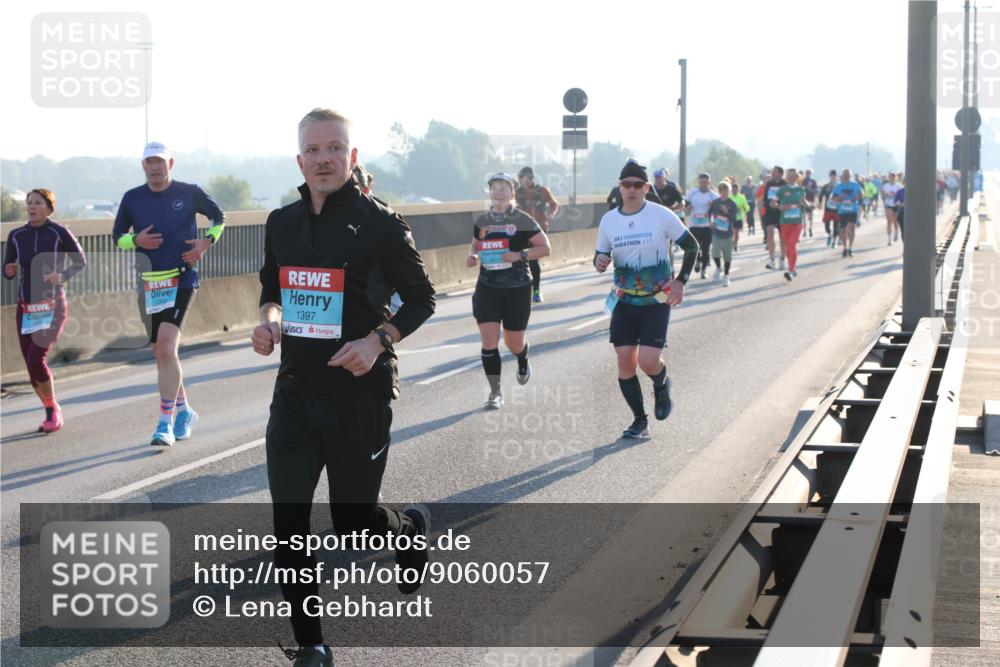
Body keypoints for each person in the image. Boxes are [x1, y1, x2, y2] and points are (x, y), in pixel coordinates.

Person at [252, 108, 436, 666]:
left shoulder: (380, 221)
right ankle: (313, 646)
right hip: (295, 396)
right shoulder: (281, 222)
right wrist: (269, 321)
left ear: (352, 157)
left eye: (336, 148)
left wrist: (378, 340)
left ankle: (407, 532)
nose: (324, 158)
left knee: (353, 523)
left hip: (360, 394)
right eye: (314, 149)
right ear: (300, 160)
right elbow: (271, 287)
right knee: (288, 526)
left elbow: (422, 297)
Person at [113, 142, 226, 447]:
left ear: (170, 164)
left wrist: (205, 243)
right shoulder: (132, 198)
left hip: (181, 279)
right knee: (162, 353)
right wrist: (135, 239)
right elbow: (117, 237)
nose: (155, 167)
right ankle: (185, 410)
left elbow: (219, 218)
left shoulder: (189, 192)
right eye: (149, 162)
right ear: (143, 166)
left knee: (165, 346)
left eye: (160, 162)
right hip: (149, 284)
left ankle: (165, 423)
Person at [594, 161, 698, 438]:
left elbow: (692, 246)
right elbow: (600, 254)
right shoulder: (609, 220)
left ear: (646, 188)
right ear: (619, 187)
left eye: (637, 185)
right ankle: (639, 420)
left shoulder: (661, 215)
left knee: (648, 362)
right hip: (624, 300)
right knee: (625, 359)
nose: (631, 189)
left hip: (656, 299)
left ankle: (661, 382)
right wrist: (600, 260)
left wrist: (680, 281)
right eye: (626, 184)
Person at [3, 188, 86, 433]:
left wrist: (61, 276)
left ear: (49, 208)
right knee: (31, 367)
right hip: (26, 306)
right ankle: (50, 407)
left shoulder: (59, 233)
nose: (31, 206)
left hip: (52, 305)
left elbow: (81, 261)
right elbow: (8, 266)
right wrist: (7, 271)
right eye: (29, 203)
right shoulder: (16, 235)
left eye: (37, 202)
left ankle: (51, 409)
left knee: (35, 358)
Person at [468, 173, 551, 408]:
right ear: (490, 192)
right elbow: (475, 243)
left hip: (517, 287)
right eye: (494, 188)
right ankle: (495, 393)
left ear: (511, 192)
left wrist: (520, 255)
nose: (498, 192)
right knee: (489, 341)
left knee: (513, 342)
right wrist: (471, 255)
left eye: (503, 188)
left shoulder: (523, 220)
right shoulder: (483, 221)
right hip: (487, 286)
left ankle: (522, 357)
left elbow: (545, 248)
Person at [515, 166, 560, 303]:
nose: (526, 182)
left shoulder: (542, 191)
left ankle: (536, 290)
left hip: (539, 229)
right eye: (523, 179)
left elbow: (554, 204)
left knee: (533, 260)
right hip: (522, 229)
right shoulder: (518, 193)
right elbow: (509, 206)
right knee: (520, 260)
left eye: (528, 179)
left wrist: (551, 213)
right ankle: (521, 289)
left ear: (532, 179)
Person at [685, 173, 718, 279]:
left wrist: (712, 207)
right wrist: (688, 207)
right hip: (694, 225)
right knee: (694, 247)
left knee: (706, 249)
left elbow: (718, 209)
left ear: (709, 182)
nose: (703, 184)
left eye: (705, 182)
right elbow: (685, 203)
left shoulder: (713, 195)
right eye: (701, 182)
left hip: (707, 226)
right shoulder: (693, 193)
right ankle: (697, 260)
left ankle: (703, 270)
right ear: (699, 182)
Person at [776, 168, 806, 281]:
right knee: (788, 246)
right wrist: (780, 207)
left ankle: (791, 270)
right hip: (785, 222)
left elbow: (803, 200)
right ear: (786, 177)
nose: (791, 177)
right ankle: (792, 268)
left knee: (792, 244)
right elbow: (772, 202)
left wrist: (809, 205)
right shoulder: (782, 189)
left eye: (794, 175)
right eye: (789, 175)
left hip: (797, 222)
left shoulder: (800, 189)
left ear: (797, 177)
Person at [708, 181, 739, 286]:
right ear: (719, 191)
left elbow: (734, 218)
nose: (724, 192)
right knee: (715, 254)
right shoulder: (715, 202)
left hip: (728, 234)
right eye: (722, 190)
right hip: (716, 232)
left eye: (726, 190)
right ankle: (718, 267)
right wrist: (711, 222)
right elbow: (710, 213)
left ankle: (726, 276)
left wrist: (726, 212)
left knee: (727, 257)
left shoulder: (732, 203)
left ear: (729, 191)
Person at [831, 168, 863, 257]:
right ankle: (845, 248)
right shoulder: (839, 186)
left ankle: (850, 248)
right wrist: (839, 198)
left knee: (852, 228)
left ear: (850, 176)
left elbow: (861, 194)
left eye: (848, 175)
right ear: (842, 175)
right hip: (842, 211)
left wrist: (857, 197)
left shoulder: (855, 185)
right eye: (845, 175)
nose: (846, 176)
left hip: (853, 210)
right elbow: (833, 198)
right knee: (843, 230)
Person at [818, 169, 840, 248]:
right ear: (829, 176)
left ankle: (834, 241)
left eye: (834, 175)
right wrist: (820, 203)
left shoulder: (839, 186)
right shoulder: (826, 186)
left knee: (836, 226)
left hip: (837, 209)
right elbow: (821, 195)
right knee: (826, 226)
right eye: (831, 175)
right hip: (827, 209)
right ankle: (829, 235)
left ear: (836, 176)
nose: (832, 177)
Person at [881, 172, 902, 246]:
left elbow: (901, 195)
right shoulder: (885, 186)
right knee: (889, 221)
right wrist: (884, 199)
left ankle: (896, 231)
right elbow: (882, 194)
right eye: (889, 177)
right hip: (888, 204)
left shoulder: (898, 186)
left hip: (896, 205)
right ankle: (889, 239)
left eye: (891, 177)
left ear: (894, 178)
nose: (890, 179)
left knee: (895, 221)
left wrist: (895, 195)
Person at [728, 179, 750, 253]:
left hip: (739, 218)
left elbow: (746, 207)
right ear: (731, 190)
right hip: (730, 218)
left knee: (736, 233)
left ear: (738, 189)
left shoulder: (742, 197)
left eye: (736, 189)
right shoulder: (729, 197)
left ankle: (735, 245)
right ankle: (732, 243)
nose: (735, 190)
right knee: (731, 232)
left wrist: (743, 208)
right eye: (733, 189)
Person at [801, 169, 818, 237]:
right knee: (804, 216)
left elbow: (815, 190)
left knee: (810, 215)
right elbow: (802, 189)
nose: (808, 174)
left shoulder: (813, 181)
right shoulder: (803, 181)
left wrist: (810, 189)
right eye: (807, 173)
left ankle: (810, 229)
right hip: (804, 199)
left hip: (811, 199)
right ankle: (804, 230)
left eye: (809, 173)